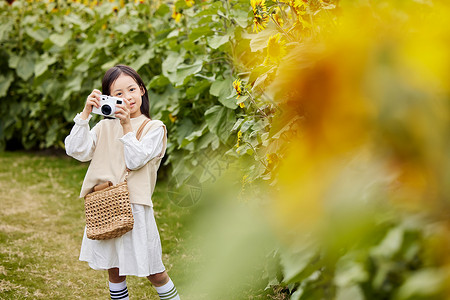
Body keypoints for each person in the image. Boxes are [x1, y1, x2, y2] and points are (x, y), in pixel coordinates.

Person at [65, 65, 180, 300]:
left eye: (131, 89)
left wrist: (127, 125)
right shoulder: (104, 126)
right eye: (118, 94)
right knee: (114, 269)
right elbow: (76, 149)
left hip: (135, 208)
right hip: (105, 205)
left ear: (142, 90)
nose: (127, 98)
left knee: (154, 271)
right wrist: (85, 113)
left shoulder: (154, 128)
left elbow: (135, 160)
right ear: (108, 98)